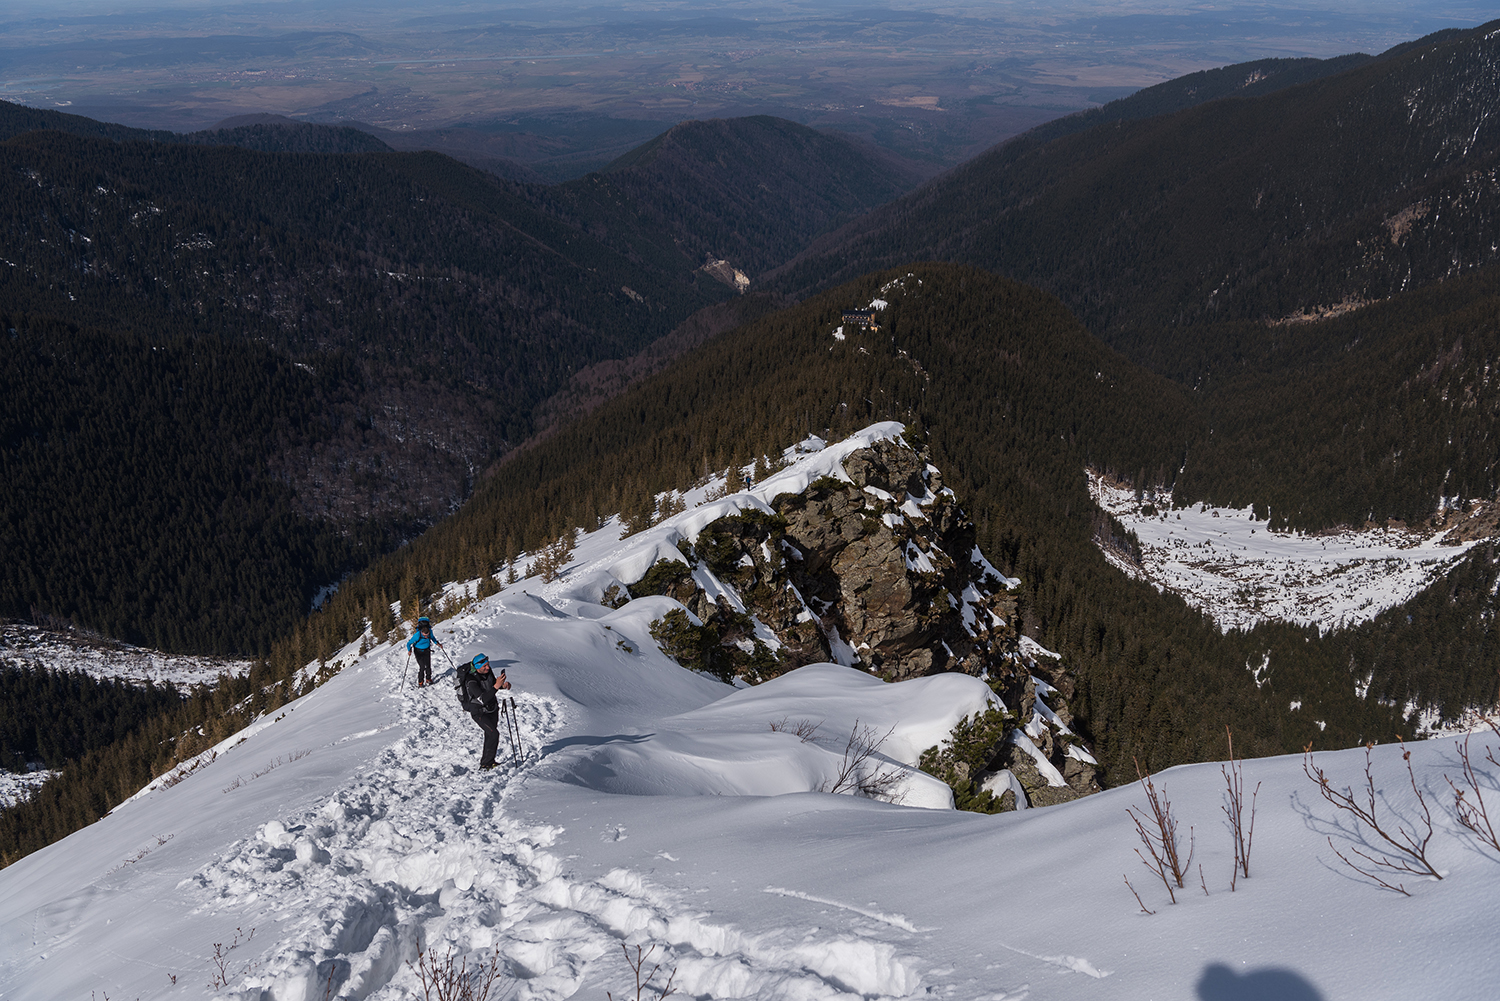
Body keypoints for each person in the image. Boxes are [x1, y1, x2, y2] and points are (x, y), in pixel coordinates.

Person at [458, 653, 502, 769]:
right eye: (485, 666)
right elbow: (483, 699)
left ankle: (488, 762)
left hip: (492, 709)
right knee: (493, 734)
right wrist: (497, 687)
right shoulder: (470, 680)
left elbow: (491, 685)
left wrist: (502, 685)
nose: (488, 668)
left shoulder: (488, 672)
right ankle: (486, 763)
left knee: (490, 734)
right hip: (479, 712)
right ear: (477, 666)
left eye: (488, 665)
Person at [406, 616, 444, 687]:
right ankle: (420, 681)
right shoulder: (417, 635)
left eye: (427, 635)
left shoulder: (430, 632)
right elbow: (408, 643)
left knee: (428, 665)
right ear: (422, 632)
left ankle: (428, 679)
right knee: (422, 666)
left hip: (427, 650)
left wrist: (438, 644)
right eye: (425, 636)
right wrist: (409, 650)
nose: (426, 637)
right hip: (418, 651)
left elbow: (433, 638)